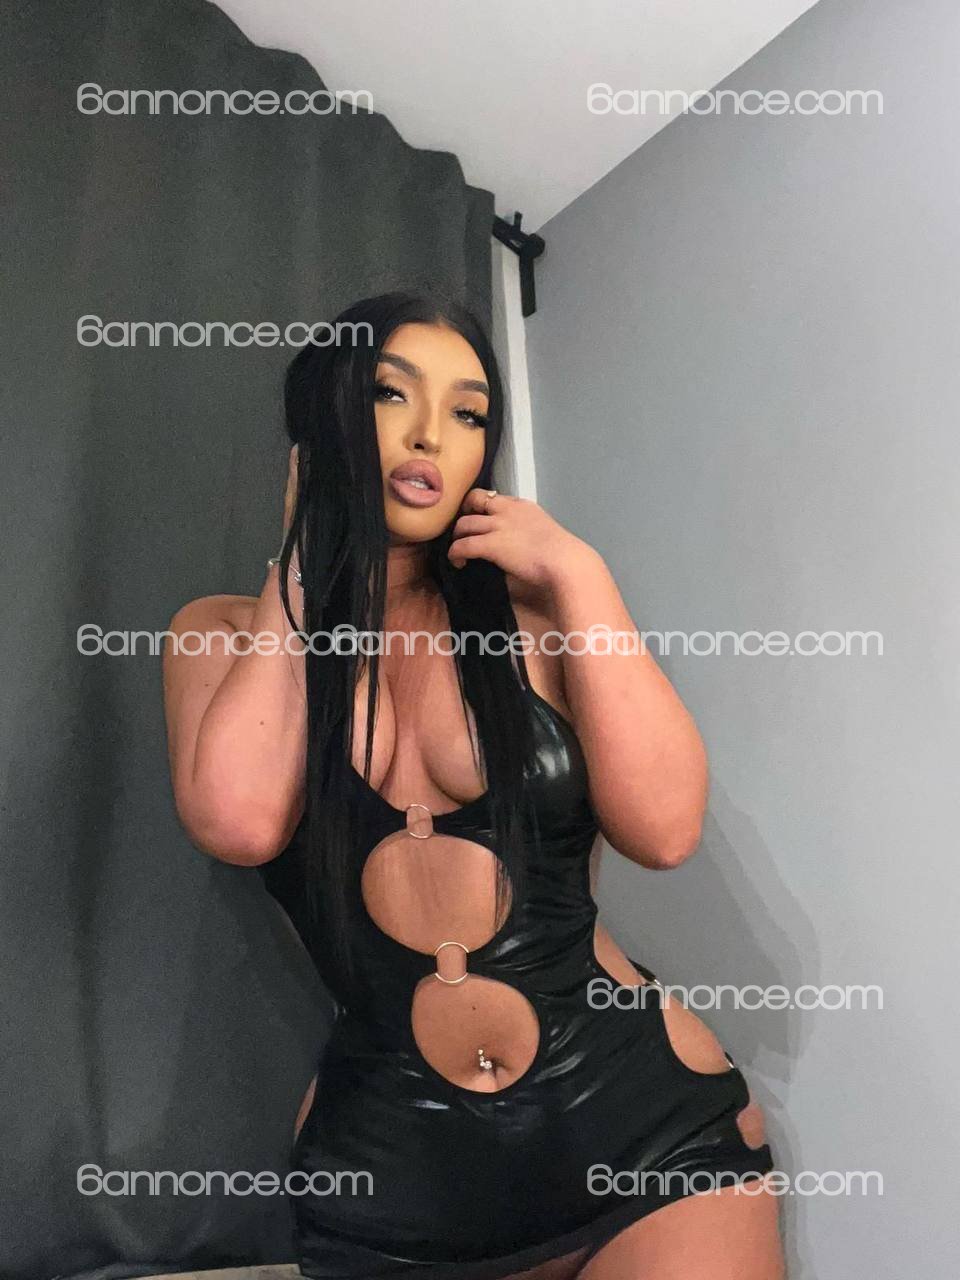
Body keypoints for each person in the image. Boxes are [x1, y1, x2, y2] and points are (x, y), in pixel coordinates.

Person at [163, 293, 784, 1279]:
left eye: (468, 412)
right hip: (396, 1182)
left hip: (649, 1146)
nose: (429, 435)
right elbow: (240, 819)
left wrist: (581, 575)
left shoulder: (537, 615)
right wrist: (303, 566)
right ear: (321, 420)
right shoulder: (228, 633)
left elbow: (666, 830)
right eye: (391, 394)